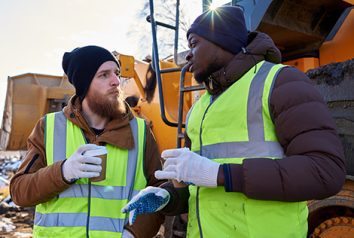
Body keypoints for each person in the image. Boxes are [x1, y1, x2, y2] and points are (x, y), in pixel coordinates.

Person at [121, 6, 346, 238]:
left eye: (194, 44)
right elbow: (200, 185)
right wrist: (169, 196)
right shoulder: (199, 109)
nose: (188, 56)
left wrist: (220, 174)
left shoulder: (280, 82)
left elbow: (324, 172)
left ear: (223, 42)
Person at [10, 45, 164, 238]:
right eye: (104, 75)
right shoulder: (49, 127)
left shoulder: (141, 131)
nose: (116, 81)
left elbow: (160, 193)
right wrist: (64, 171)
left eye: (116, 73)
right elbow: (19, 192)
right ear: (84, 84)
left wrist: (134, 233)